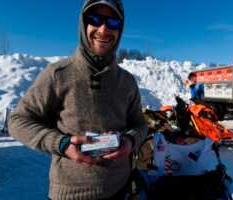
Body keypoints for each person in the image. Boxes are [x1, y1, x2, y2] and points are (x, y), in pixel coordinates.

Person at [8, 0, 148, 199]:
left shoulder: (127, 81)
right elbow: (18, 121)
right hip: (71, 193)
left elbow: (140, 123)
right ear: (84, 24)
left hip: (120, 187)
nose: (103, 29)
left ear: (121, 28)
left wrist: (130, 140)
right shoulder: (58, 74)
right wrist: (62, 143)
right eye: (95, 19)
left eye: (112, 22)